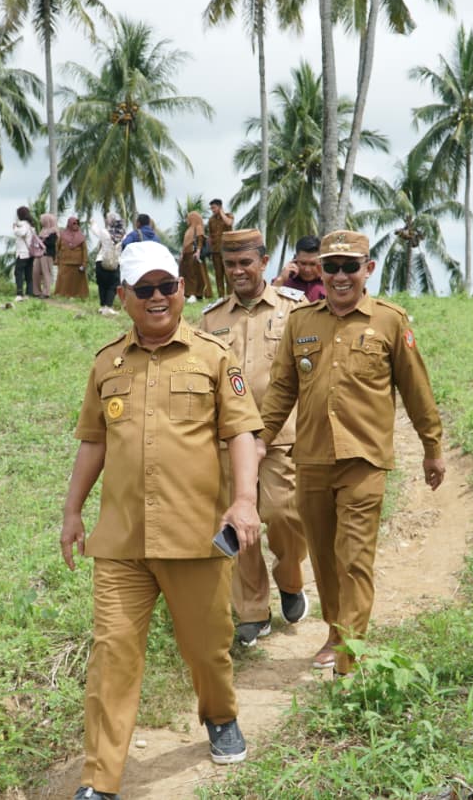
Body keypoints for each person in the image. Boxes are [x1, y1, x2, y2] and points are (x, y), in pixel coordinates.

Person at [61, 241, 263, 800]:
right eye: (143, 289)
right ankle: (100, 780)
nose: (157, 298)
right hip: (122, 542)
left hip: (195, 537)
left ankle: (220, 716)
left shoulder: (213, 356)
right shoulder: (107, 363)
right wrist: (73, 511)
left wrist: (244, 500)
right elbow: (93, 441)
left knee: (207, 647)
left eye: (166, 286)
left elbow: (241, 432)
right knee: (112, 655)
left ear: (182, 288)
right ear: (123, 296)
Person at [260, 230, 445, 676]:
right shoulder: (301, 322)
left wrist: (432, 447)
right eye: (331, 267)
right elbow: (283, 388)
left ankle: (351, 657)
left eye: (350, 266)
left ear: (369, 269)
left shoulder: (389, 321)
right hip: (312, 459)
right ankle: (335, 631)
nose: (340, 276)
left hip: (364, 460)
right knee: (323, 555)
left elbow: (415, 388)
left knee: (354, 556)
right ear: (319, 270)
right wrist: (257, 443)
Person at [201, 229, 309, 648]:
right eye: (230, 264)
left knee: (285, 515)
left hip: (281, 437)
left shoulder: (293, 310)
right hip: (230, 439)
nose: (238, 271)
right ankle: (252, 612)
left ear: (264, 263)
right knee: (240, 523)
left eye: (246, 262)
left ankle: (290, 577)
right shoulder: (212, 319)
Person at [272, 235, 325, 302]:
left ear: (321, 261)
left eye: (312, 264)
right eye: (303, 263)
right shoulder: (283, 282)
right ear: (295, 259)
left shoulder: (329, 283)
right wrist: (281, 280)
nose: (307, 269)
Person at [180, 210, 214, 302]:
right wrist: (182, 253)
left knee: (194, 275)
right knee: (187, 274)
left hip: (193, 253)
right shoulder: (189, 229)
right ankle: (188, 293)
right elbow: (185, 243)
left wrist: (198, 251)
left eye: (189, 218)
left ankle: (195, 294)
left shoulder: (198, 227)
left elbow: (200, 239)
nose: (187, 220)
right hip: (187, 254)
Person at [54, 216, 90, 299]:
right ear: (69, 224)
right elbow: (57, 247)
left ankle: (78, 295)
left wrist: (84, 262)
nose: (75, 225)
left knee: (77, 282)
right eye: (73, 223)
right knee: (63, 280)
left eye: (77, 223)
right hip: (64, 262)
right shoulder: (62, 235)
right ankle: (61, 294)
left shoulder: (81, 236)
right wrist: (56, 259)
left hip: (77, 263)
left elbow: (85, 250)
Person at [92, 215, 121, 316]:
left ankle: (103, 306)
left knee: (102, 285)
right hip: (115, 262)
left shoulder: (104, 232)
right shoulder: (122, 234)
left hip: (101, 261)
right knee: (113, 285)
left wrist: (93, 223)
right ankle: (108, 307)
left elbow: (95, 231)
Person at [206, 198, 234, 295]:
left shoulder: (228, 216)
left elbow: (229, 223)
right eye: (211, 208)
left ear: (220, 207)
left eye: (214, 208)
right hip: (215, 251)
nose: (212, 210)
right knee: (218, 275)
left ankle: (230, 296)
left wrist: (221, 213)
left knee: (228, 274)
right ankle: (221, 297)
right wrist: (209, 249)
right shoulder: (211, 220)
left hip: (227, 251)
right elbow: (210, 235)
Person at [33, 213, 59, 298]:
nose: (41, 221)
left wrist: (41, 241)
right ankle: (36, 291)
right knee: (35, 272)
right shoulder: (42, 230)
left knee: (46, 273)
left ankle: (46, 292)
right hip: (39, 254)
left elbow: (51, 243)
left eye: (43, 220)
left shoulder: (53, 231)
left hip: (47, 255)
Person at [12, 206, 36, 300]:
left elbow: (21, 233)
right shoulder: (31, 225)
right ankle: (29, 292)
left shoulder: (23, 225)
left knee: (18, 272)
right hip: (30, 253)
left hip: (23, 253)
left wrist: (14, 228)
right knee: (28, 273)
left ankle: (19, 293)